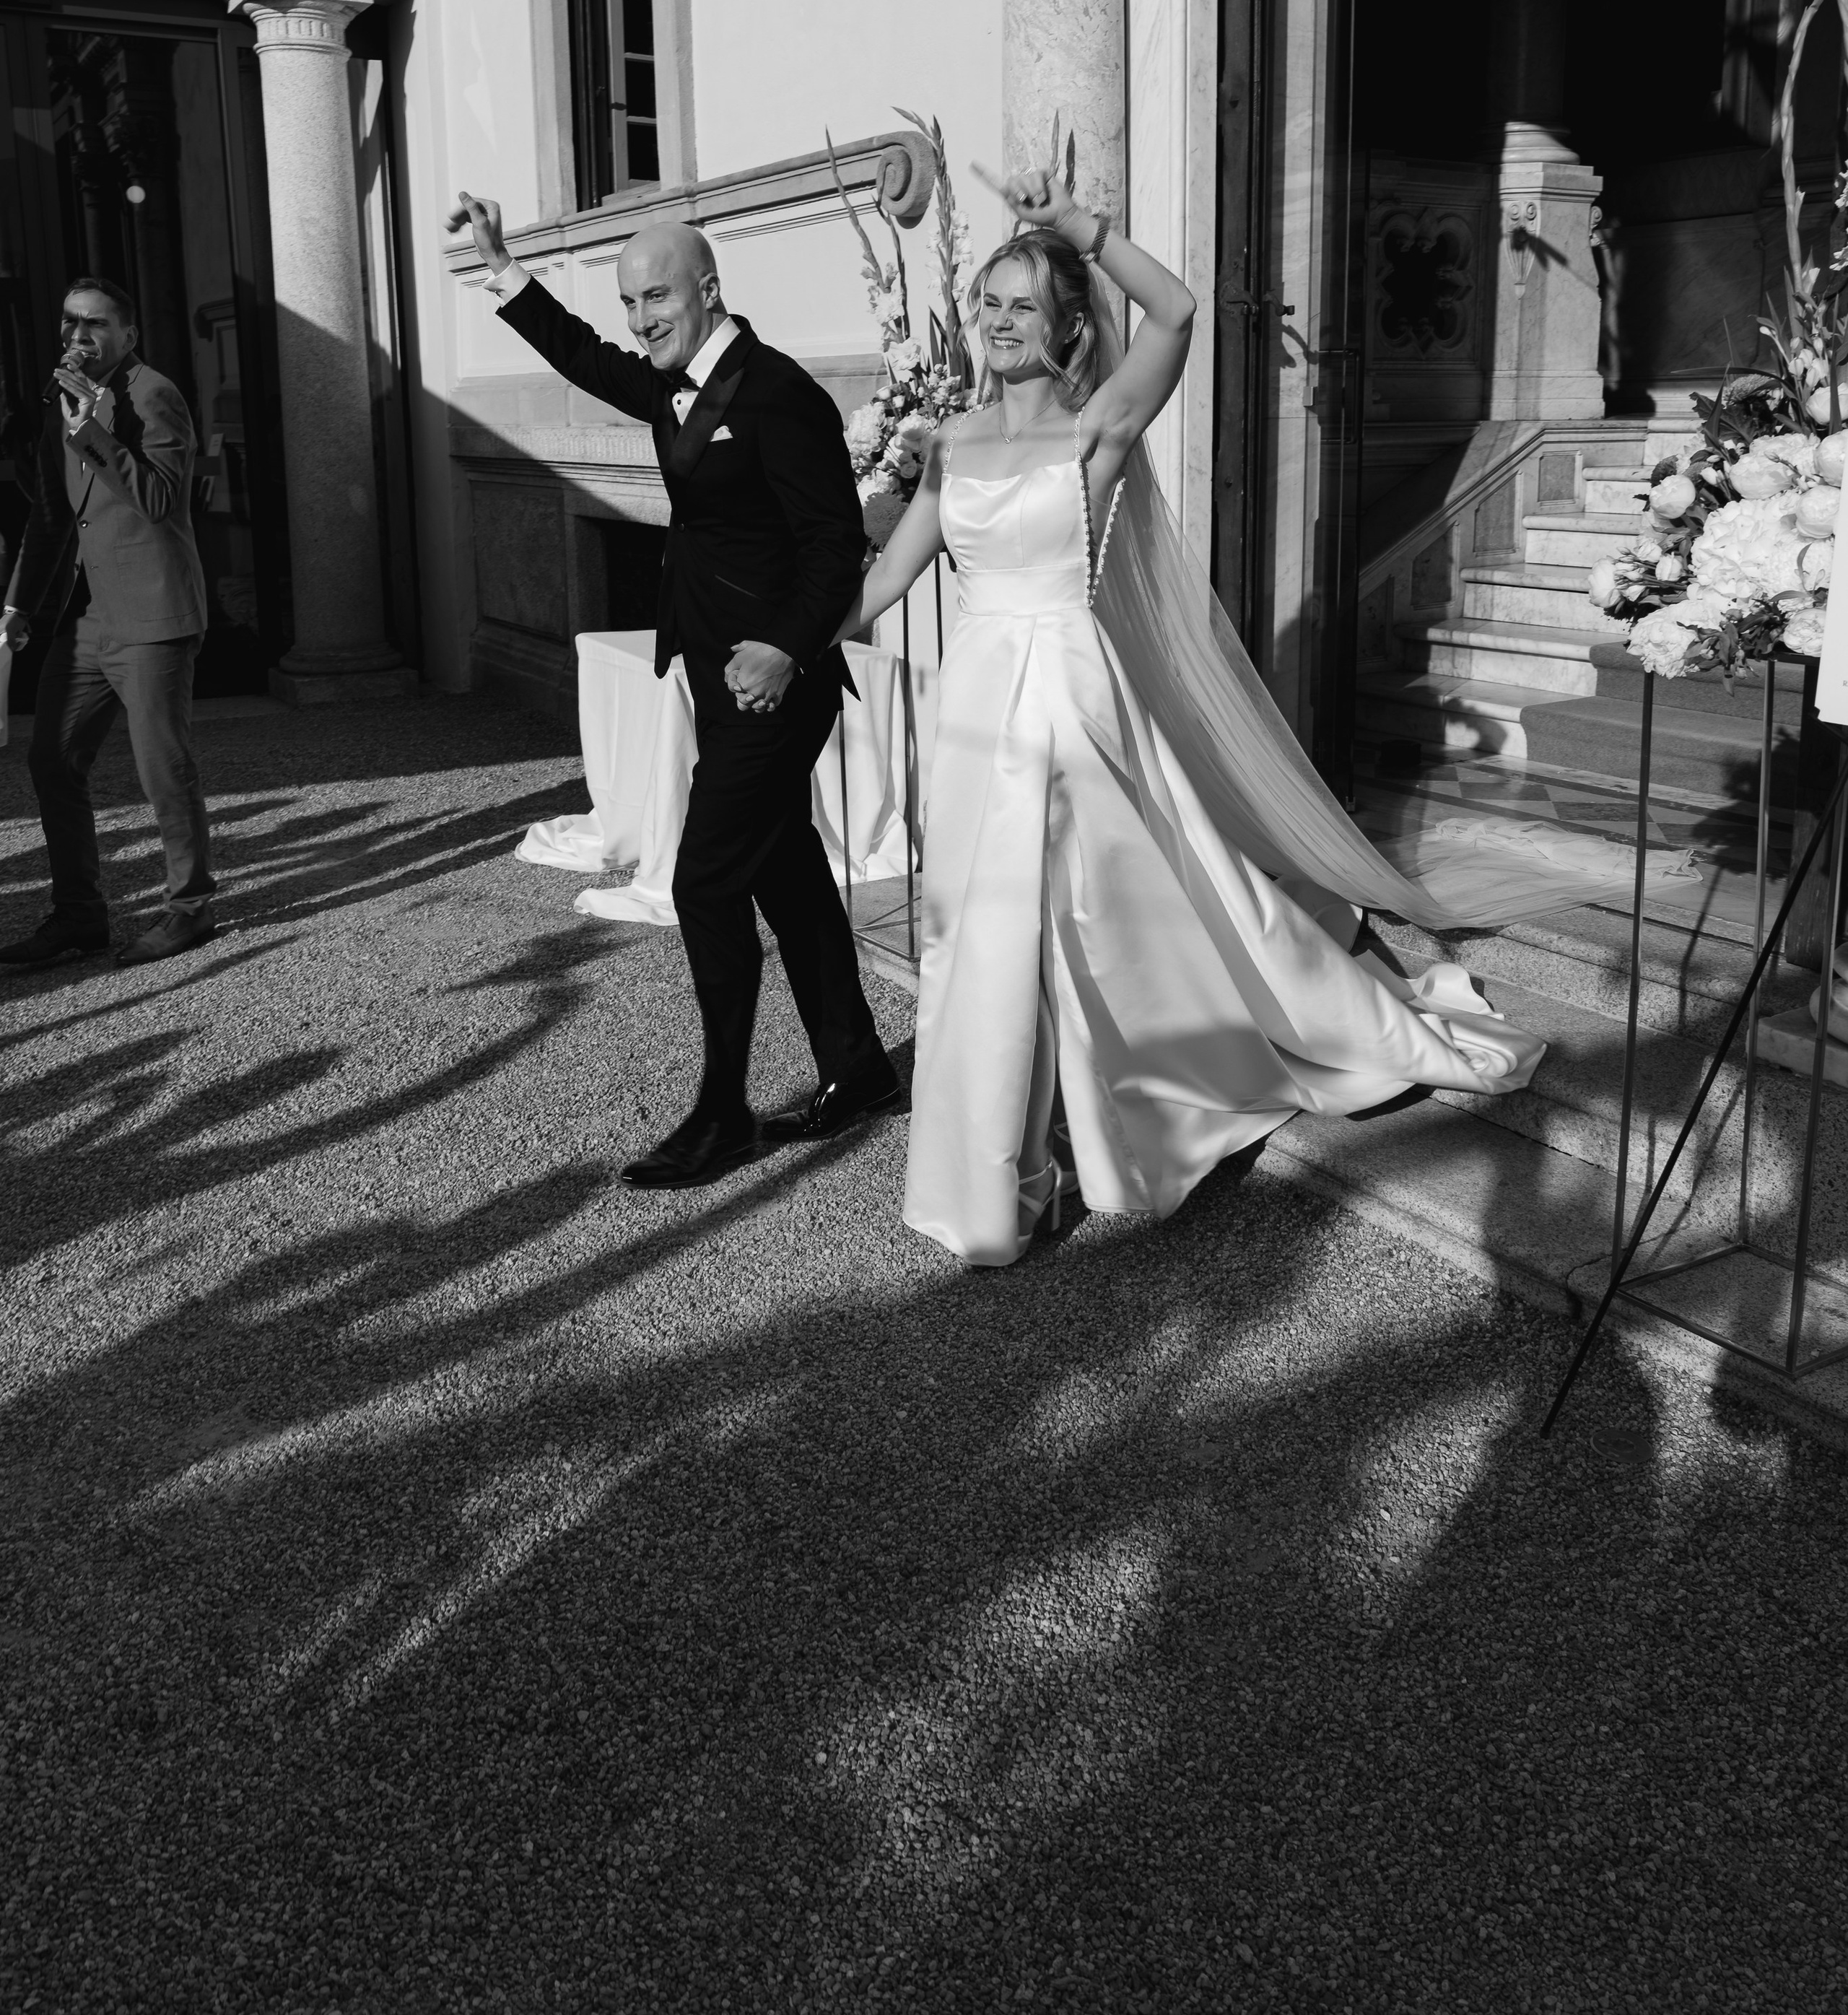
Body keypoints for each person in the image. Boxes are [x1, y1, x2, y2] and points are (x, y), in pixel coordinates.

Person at [834, 167, 1586, 1268]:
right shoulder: (948, 444)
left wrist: (1081, 227)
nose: (997, 322)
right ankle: (1001, 1160)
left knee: (1081, 920)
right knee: (972, 929)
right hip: (975, 704)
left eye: (1021, 305)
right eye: (986, 302)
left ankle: (1070, 1139)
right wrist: (792, 647)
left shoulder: (1100, 426)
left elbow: (1178, 309)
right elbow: (892, 572)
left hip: (1067, 696)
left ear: (1062, 327)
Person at [445, 193, 897, 1186]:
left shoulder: (778, 393)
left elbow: (834, 544)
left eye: (658, 296)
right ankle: (859, 1069)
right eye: (632, 300)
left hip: (776, 678)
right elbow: (584, 356)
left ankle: (721, 1113)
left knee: (703, 881)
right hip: (714, 666)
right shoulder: (669, 380)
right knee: (784, 869)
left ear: (708, 290)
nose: (643, 316)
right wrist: (503, 271)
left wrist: (783, 646)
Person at [1, 277, 217, 970]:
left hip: (154, 616)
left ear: (127, 335)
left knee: (164, 770)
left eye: (94, 325)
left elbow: (159, 499)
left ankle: (190, 910)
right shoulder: (61, 399)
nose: (77, 337)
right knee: (51, 758)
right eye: (69, 324)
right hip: (90, 619)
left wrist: (89, 428)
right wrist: (19, 607)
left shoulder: (153, 393)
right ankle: (79, 917)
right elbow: (51, 517)